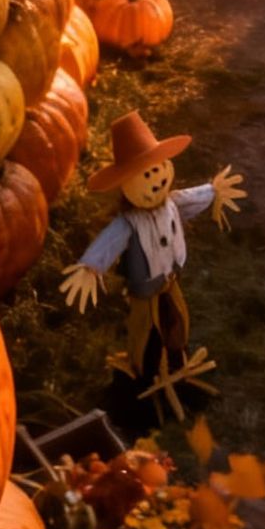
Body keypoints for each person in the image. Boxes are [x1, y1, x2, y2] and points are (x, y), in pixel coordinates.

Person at [59, 111, 244, 408]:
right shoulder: (129, 223)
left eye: (158, 169)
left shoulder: (172, 203)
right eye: (147, 174)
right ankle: (144, 374)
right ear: (127, 184)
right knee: (147, 333)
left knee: (176, 321)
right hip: (145, 292)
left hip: (170, 282)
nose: (157, 179)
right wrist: (91, 267)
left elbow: (193, 198)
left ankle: (176, 361)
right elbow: (109, 242)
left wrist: (213, 191)